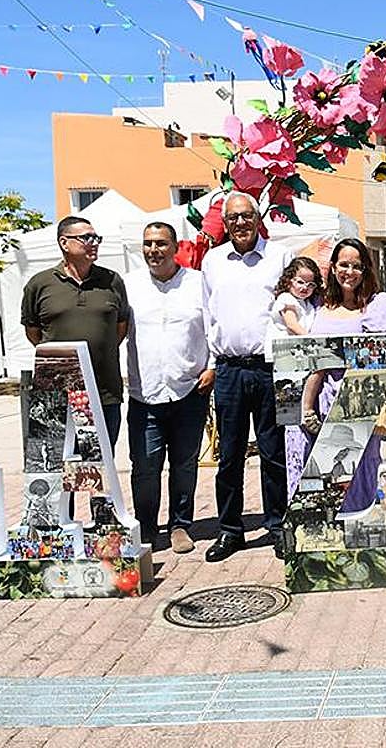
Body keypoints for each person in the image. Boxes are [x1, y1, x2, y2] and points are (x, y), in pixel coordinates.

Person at [200, 192, 292, 562]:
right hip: (229, 370)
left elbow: (295, 306)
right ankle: (230, 530)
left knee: (275, 453)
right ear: (225, 223)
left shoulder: (279, 257)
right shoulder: (212, 261)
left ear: (258, 219)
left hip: (273, 369)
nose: (240, 223)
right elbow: (208, 315)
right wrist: (209, 363)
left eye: (246, 216)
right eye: (233, 218)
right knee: (230, 455)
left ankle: (277, 525)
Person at [124, 222, 213, 554]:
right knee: (145, 465)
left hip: (189, 389)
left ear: (176, 247)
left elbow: (213, 326)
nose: (153, 250)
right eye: (147, 243)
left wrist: (213, 367)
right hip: (143, 392)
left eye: (161, 243)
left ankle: (180, 524)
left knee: (184, 462)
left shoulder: (197, 283)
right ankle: (146, 527)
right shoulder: (129, 285)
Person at [301, 239, 386, 513]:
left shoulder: (377, 305)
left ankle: (362, 523)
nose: (350, 272)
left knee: (363, 467)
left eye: (357, 266)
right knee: (326, 473)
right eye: (344, 264)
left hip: (360, 403)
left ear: (365, 270)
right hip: (323, 402)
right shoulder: (320, 306)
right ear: (332, 268)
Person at [21, 215, 129, 443]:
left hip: (103, 393)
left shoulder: (112, 281)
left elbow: (120, 328)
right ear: (64, 243)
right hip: (55, 395)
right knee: (53, 465)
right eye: (86, 238)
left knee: (96, 469)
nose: (94, 243)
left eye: (96, 238)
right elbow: (34, 333)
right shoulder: (40, 284)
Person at [270, 257, 322, 338]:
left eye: (310, 284)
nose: (305, 287)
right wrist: (311, 338)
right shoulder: (286, 298)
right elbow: (292, 324)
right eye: (300, 282)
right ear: (288, 281)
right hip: (284, 344)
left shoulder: (307, 303)